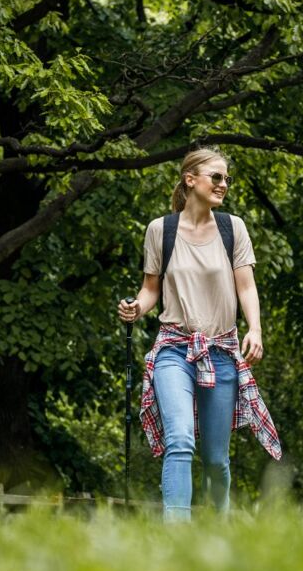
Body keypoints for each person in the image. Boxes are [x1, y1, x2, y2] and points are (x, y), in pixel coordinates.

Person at [118, 147, 281, 521]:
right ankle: (177, 534)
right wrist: (136, 308)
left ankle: (217, 531)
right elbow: (150, 289)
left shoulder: (232, 228)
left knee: (216, 461)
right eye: (216, 177)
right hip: (174, 349)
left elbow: (246, 287)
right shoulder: (162, 230)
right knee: (179, 440)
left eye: (226, 179)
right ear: (190, 180)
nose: (223, 184)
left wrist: (254, 329)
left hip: (221, 350)